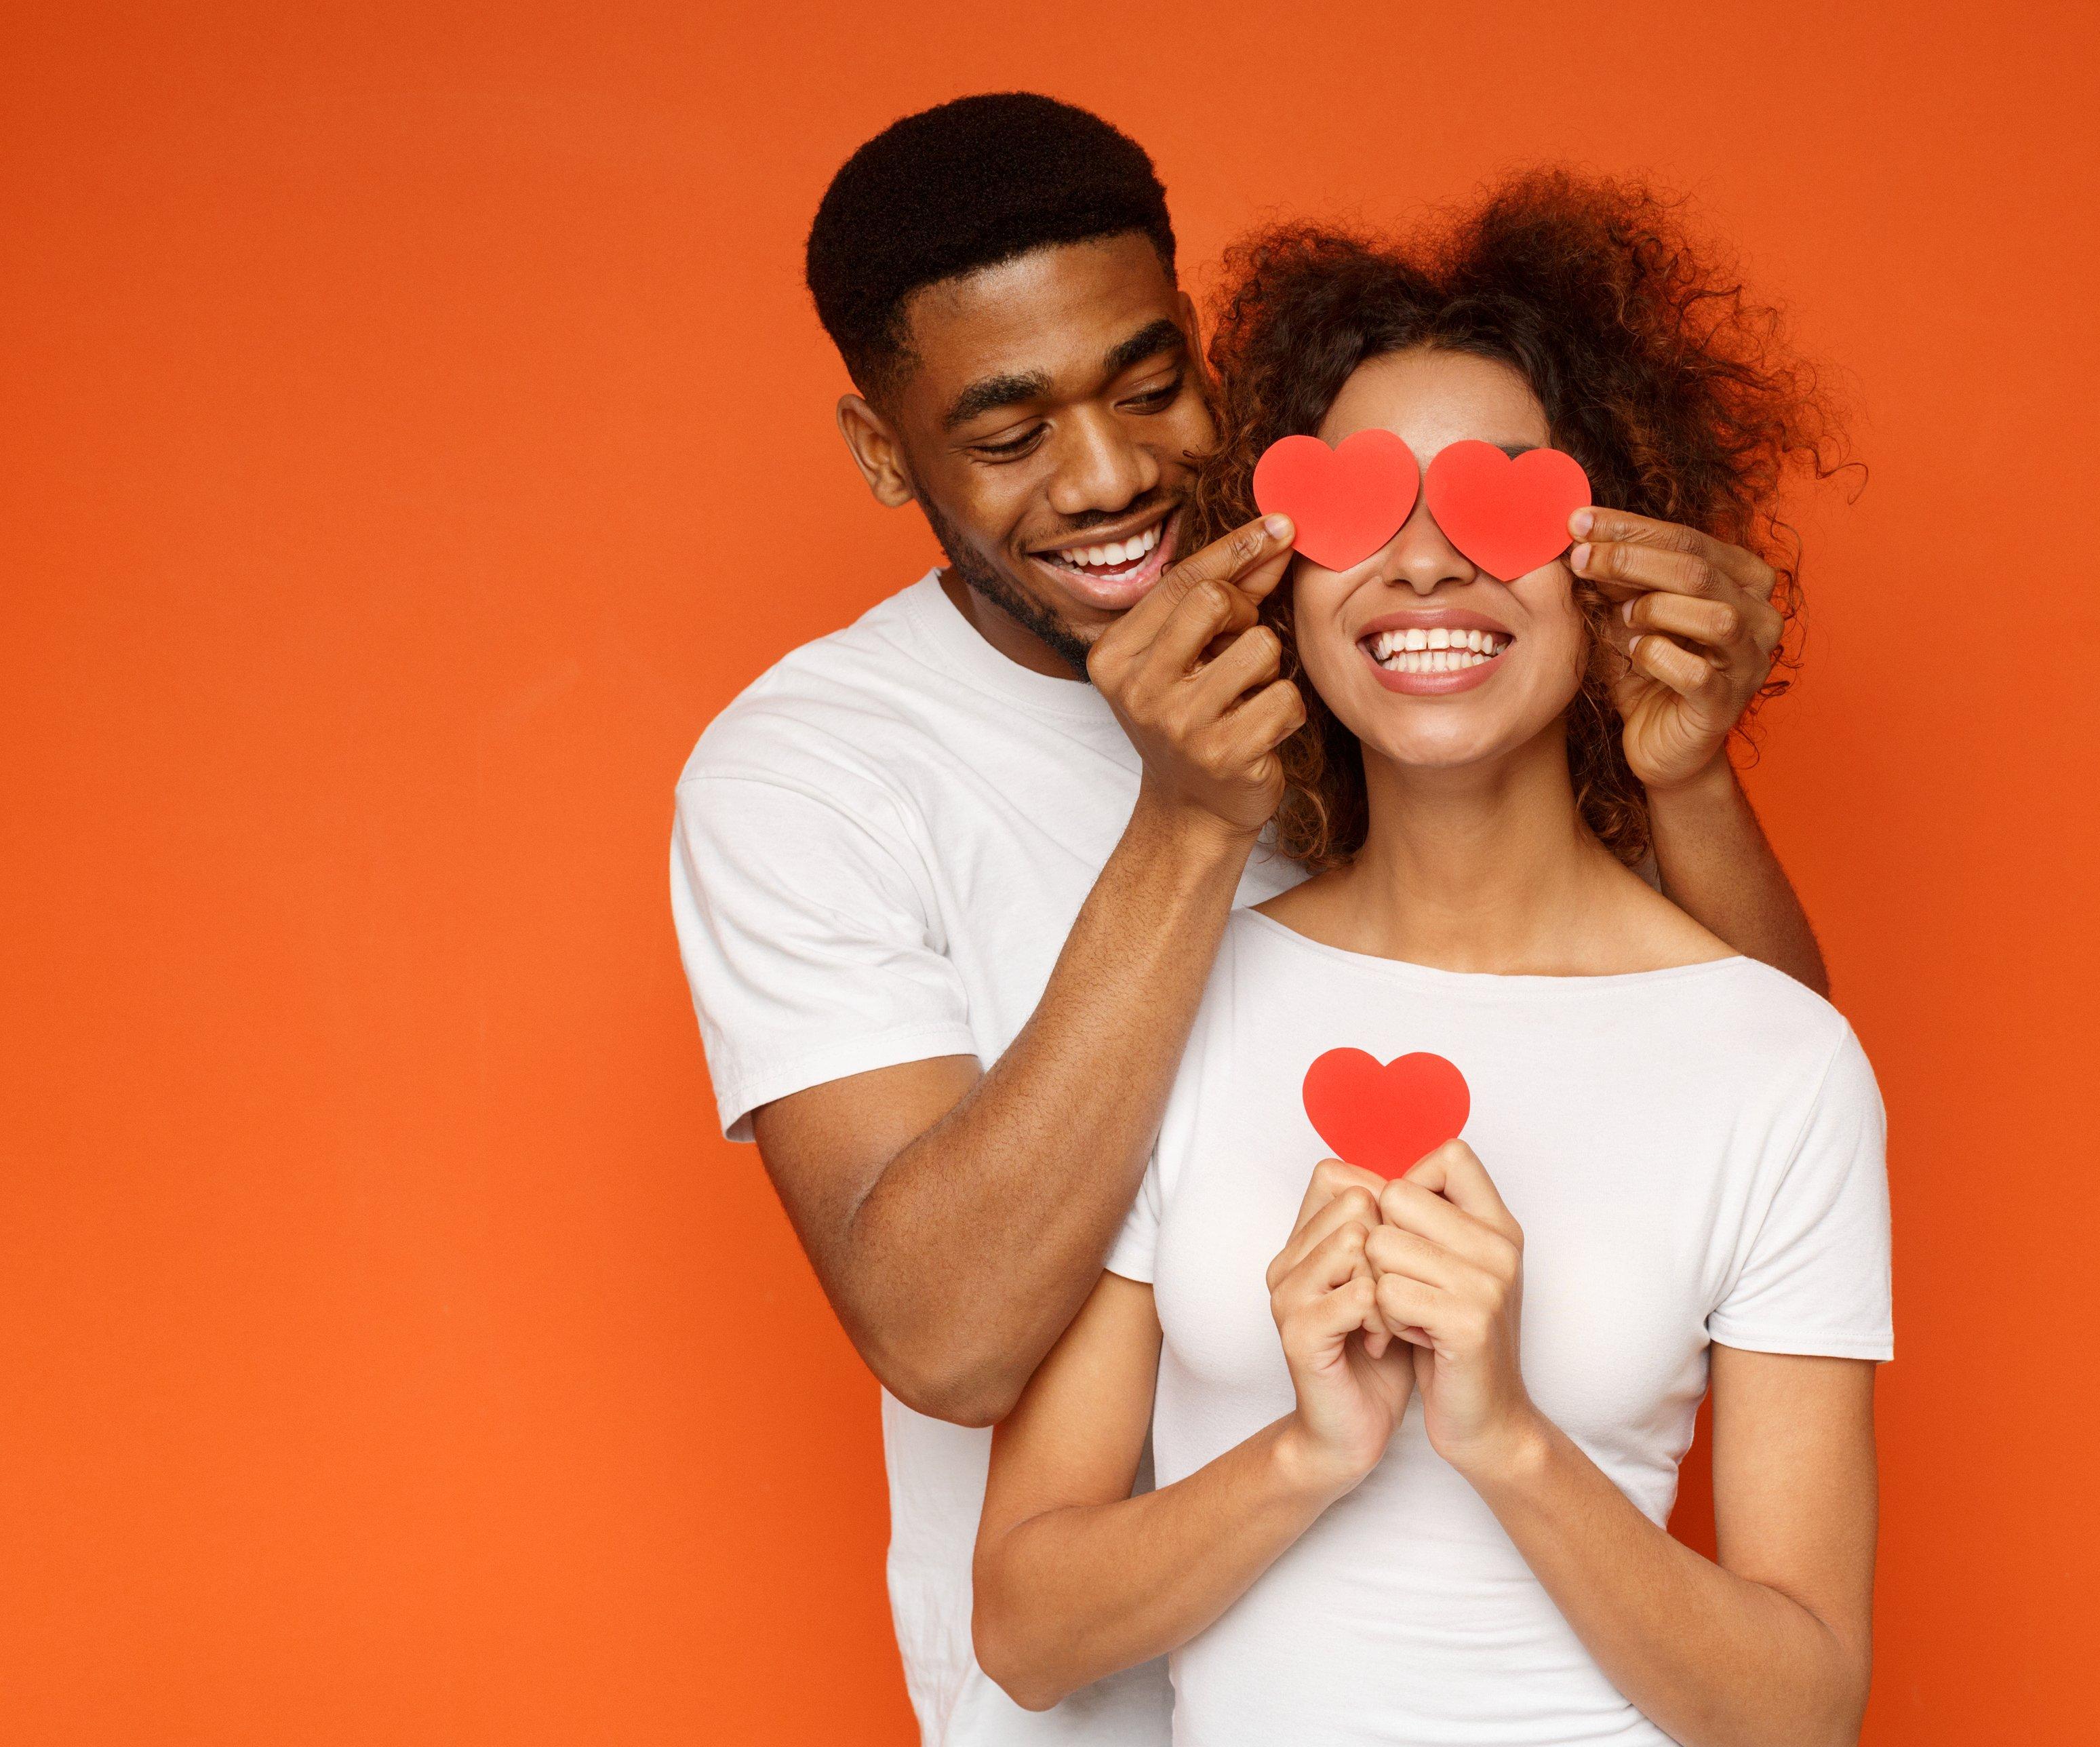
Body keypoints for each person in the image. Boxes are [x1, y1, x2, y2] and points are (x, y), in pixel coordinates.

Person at [670, 95, 1831, 1744]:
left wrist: (1696, 782)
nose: (1109, 477)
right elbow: (945, 1337)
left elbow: (1747, 1092)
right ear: (884, 449)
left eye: (1150, 388)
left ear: (1210, 357)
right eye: (1007, 439)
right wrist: (1186, 823)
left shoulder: (1374, 625)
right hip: (1077, 1699)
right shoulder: (808, 777)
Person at [970, 174, 1889, 1747]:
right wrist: (1309, 1453)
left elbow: (1801, 1710)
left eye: (1500, 503)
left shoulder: (1781, 1058)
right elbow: (1024, 1628)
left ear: (1606, 568)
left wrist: (1509, 1438)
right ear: (1275, 575)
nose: (1425, 563)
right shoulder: (1179, 999)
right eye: (1357, 506)